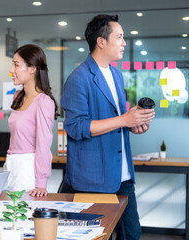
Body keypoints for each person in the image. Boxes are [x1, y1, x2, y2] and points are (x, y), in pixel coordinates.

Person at [60, 15, 155, 239]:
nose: (124, 43)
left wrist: (134, 125)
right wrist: (124, 120)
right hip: (93, 179)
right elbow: (75, 127)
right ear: (101, 41)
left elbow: (116, 119)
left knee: (131, 234)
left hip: (122, 176)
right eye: (119, 37)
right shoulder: (79, 78)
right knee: (96, 236)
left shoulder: (116, 75)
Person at [4, 44, 59, 197]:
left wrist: (41, 183)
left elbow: (43, 144)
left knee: (22, 218)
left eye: (16, 65)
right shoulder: (17, 96)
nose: (11, 70)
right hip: (11, 166)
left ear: (32, 69)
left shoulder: (44, 102)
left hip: (28, 171)